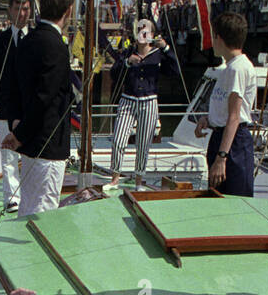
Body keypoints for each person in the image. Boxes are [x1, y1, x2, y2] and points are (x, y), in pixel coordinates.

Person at [2, 0, 74, 217]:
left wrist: (16, 127)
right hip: (48, 145)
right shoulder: (56, 46)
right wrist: (20, 134)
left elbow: (13, 88)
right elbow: (45, 98)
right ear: (68, 11)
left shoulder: (27, 41)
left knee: (29, 207)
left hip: (31, 145)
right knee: (42, 213)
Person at [108, 19, 179, 187]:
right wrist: (127, 63)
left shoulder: (157, 54)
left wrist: (166, 48)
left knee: (143, 143)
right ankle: (115, 178)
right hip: (128, 100)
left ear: (152, 35)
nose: (142, 32)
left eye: (146, 30)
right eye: (139, 29)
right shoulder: (128, 52)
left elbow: (174, 71)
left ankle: (138, 180)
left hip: (149, 101)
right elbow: (114, 73)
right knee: (118, 139)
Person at [194, 11, 255, 197]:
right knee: (216, 197)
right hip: (222, 138)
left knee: (234, 200)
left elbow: (235, 116)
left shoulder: (238, 69)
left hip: (233, 145)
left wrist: (222, 158)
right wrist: (209, 119)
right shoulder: (228, 68)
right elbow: (225, 110)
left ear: (219, 38)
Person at [0, 0, 33, 213]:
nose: (21, 13)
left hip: (31, 110)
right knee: (8, 155)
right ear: (9, 11)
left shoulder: (36, 38)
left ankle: (30, 195)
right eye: (17, 8)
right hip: (6, 108)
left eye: (25, 9)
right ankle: (12, 197)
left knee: (31, 155)